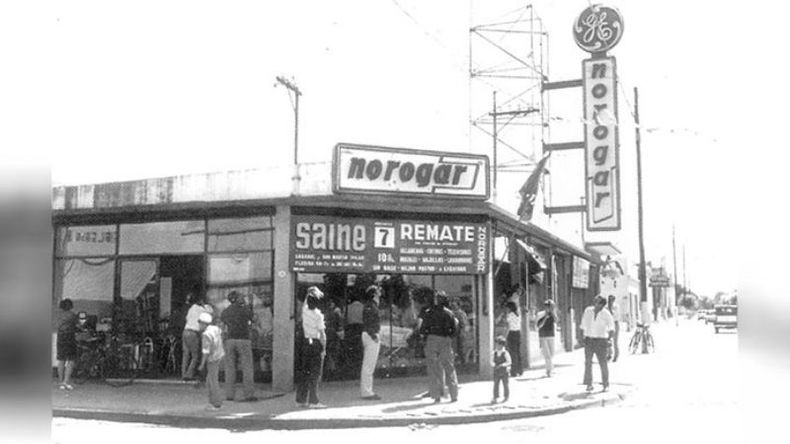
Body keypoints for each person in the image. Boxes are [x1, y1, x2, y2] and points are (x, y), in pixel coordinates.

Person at [420, 290, 459, 403]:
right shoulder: (449, 313)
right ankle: (454, 395)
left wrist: (425, 338)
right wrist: (449, 337)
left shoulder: (429, 313)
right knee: (449, 367)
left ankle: (437, 396)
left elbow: (423, 329)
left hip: (432, 340)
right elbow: (455, 329)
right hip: (445, 340)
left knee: (433, 369)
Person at [220, 291, 257, 402]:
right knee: (247, 367)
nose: (243, 298)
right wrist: (249, 305)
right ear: (236, 299)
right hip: (243, 339)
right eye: (241, 297)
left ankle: (229, 395)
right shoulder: (244, 309)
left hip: (230, 340)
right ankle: (249, 394)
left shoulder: (226, 311)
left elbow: (223, 323)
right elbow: (254, 319)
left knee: (229, 368)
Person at [296, 286, 327, 408]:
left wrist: (310, 292)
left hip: (305, 343)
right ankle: (313, 401)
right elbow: (322, 334)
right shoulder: (318, 315)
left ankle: (301, 400)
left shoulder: (304, 311)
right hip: (315, 343)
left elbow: (305, 302)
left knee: (305, 372)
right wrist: (324, 348)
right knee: (315, 373)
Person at [580, 295, 615, 392]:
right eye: (595, 301)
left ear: (602, 305)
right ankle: (589, 384)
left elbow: (611, 328)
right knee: (588, 362)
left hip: (601, 340)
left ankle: (605, 384)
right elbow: (583, 325)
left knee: (603, 363)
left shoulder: (606, 314)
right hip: (589, 340)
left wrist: (609, 340)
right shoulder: (588, 311)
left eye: (598, 302)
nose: (595, 304)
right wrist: (582, 338)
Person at [197, 312, 225, 410]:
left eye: (200, 322)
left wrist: (201, 364)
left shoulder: (206, 334)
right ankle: (214, 402)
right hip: (219, 355)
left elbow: (206, 351)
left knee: (212, 381)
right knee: (211, 380)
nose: (199, 324)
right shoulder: (215, 329)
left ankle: (216, 403)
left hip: (212, 359)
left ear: (204, 323)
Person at [360, 285, 382, 400]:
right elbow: (368, 322)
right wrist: (374, 335)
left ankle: (367, 390)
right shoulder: (371, 306)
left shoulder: (370, 305)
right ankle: (367, 392)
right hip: (371, 336)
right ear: (374, 294)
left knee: (368, 365)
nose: (380, 292)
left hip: (369, 335)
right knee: (369, 365)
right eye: (378, 291)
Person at [182, 292, 210, 381]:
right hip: (193, 333)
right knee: (195, 355)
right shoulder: (202, 310)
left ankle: (183, 373)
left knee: (186, 354)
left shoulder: (191, 308)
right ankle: (189, 374)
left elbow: (187, 318)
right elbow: (209, 314)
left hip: (185, 331)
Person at [56, 299, 79, 390]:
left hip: (60, 337)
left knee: (61, 359)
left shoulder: (59, 315)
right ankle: (66, 382)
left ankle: (60, 382)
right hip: (69, 337)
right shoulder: (72, 315)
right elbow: (78, 325)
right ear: (70, 306)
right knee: (71, 360)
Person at [496, 302, 522, 377]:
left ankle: (514, 371)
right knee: (518, 352)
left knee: (512, 353)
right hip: (518, 333)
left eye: (507, 308)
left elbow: (506, 324)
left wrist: (502, 315)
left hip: (512, 333)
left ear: (510, 308)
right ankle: (520, 369)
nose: (506, 309)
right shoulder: (518, 314)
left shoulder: (510, 315)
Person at [344, 294, 365, 376]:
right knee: (360, 347)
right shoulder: (363, 307)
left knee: (352, 348)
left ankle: (352, 366)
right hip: (361, 328)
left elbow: (345, 319)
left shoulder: (348, 307)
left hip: (351, 329)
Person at [537, 299, 557, 377]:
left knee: (552, 353)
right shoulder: (540, 314)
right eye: (548, 306)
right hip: (543, 336)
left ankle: (550, 368)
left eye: (551, 306)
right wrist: (545, 317)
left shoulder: (553, 314)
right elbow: (539, 326)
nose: (549, 308)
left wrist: (552, 313)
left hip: (551, 335)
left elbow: (556, 320)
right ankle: (548, 371)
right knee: (547, 355)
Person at [491, 335, 511, 403]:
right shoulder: (494, 353)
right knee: (496, 384)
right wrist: (493, 364)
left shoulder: (505, 353)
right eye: (496, 344)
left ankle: (506, 396)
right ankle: (495, 397)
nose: (497, 346)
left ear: (502, 345)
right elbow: (491, 361)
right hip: (496, 370)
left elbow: (509, 361)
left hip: (504, 371)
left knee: (505, 384)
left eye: (499, 344)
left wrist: (503, 365)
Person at [450, 298, 470, 364]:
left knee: (462, 350)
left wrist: (462, 333)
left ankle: (463, 363)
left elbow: (464, 325)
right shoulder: (450, 313)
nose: (452, 306)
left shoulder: (461, 314)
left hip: (460, 335)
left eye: (454, 304)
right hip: (452, 335)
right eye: (452, 304)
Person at [607, 295, 621, 362]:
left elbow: (614, 314)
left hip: (615, 323)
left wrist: (610, 308)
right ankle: (609, 354)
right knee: (607, 340)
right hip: (608, 324)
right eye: (609, 299)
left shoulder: (616, 306)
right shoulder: (606, 307)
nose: (610, 301)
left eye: (611, 299)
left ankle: (616, 356)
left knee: (615, 341)